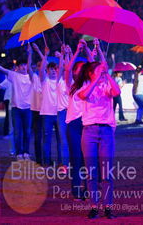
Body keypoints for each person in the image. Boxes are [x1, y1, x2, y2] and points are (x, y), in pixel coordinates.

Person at [77, 61, 120, 219]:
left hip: (106, 131)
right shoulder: (84, 86)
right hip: (89, 132)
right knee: (91, 172)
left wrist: (107, 74)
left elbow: (116, 92)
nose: (101, 71)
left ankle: (108, 206)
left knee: (107, 172)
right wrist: (96, 79)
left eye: (102, 69)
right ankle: (94, 206)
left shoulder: (107, 85)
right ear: (90, 73)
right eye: (98, 70)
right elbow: (84, 95)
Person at [0, 45, 34, 161]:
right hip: (16, 109)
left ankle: (26, 152)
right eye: (21, 65)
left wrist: (30, 53)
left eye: (25, 65)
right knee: (18, 132)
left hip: (28, 109)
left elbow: (30, 65)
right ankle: (19, 153)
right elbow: (2, 70)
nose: (23, 67)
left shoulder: (31, 77)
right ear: (17, 67)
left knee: (27, 132)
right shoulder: (14, 76)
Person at [64, 38, 92, 200]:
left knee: (88, 159)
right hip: (74, 126)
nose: (78, 71)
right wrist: (76, 51)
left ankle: (89, 188)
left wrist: (87, 49)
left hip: (88, 124)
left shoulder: (89, 83)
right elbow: (67, 70)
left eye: (82, 69)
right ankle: (76, 190)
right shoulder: (71, 86)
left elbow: (93, 63)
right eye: (77, 69)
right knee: (76, 158)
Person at [39, 46, 65, 167]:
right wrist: (45, 55)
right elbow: (41, 70)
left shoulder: (60, 81)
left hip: (59, 114)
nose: (53, 71)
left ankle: (61, 162)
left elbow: (64, 68)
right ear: (47, 71)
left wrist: (61, 56)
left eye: (55, 69)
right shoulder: (45, 81)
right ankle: (47, 163)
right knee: (47, 140)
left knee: (61, 139)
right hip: (47, 114)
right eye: (51, 69)